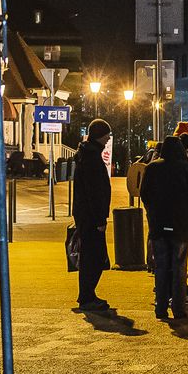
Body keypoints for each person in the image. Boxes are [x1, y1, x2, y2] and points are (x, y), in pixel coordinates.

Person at [140, 135, 188, 320]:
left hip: (158, 225)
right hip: (181, 225)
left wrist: (153, 211)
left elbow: (144, 194)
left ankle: (160, 308)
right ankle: (178, 309)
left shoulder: (152, 168)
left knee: (161, 266)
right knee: (179, 267)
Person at [72, 118, 112, 312]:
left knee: (91, 255)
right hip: (91, 217)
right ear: (100, 135)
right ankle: (87, 296)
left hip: (85, 214)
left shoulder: (87, 153)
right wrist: (100, 219)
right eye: (107, 135)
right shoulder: (91, 157)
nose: (109, 138)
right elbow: (95, 192)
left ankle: (87, 294)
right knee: (93, 257)